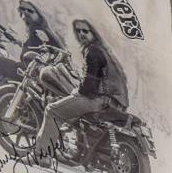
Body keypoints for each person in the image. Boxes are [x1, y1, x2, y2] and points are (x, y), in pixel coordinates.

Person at [34, 18, 128, 157]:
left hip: (101, 100)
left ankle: (41, 156)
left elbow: (89, 87)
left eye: (85, 30)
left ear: (94, 33)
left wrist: (76, 91)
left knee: (52, 110)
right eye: (78, 31)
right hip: (116, 102)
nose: (81, 34)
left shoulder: (92, 51)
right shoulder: (104, 51)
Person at [0, 0, 68, 115]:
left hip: (29, 72)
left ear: (38, 14)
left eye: (29, 10)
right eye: (22, 11)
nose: (25, 13)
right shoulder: (38, 31)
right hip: (32, 72)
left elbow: (49, 53)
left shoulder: (38, 31)